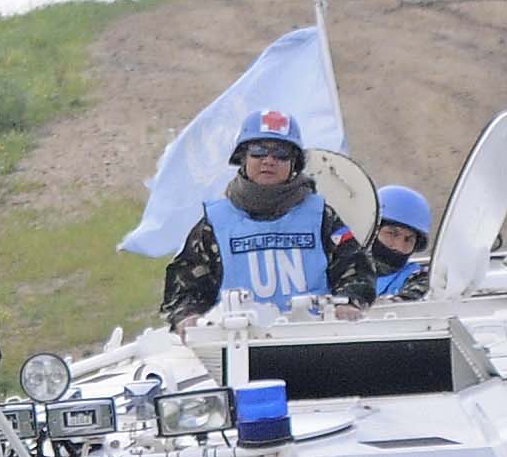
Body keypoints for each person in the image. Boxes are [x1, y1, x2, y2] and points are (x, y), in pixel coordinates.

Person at [158, 111, 373, 322]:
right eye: (259, 151)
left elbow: (357, 269)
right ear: (243, 157)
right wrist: (188, 316)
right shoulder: (214, 223)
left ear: (294, 163)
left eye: (281, 153)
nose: (269, 160)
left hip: (315, 336)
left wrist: (349, 302)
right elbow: (184, 287)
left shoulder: (322, 217)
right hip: (236, 337)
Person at [365, 185, 434, 301]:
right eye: (392, 233)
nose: (399, 246)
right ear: (371, 232)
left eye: (409, 240)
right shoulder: (341, 269)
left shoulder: (419, 278)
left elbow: (411, 301)